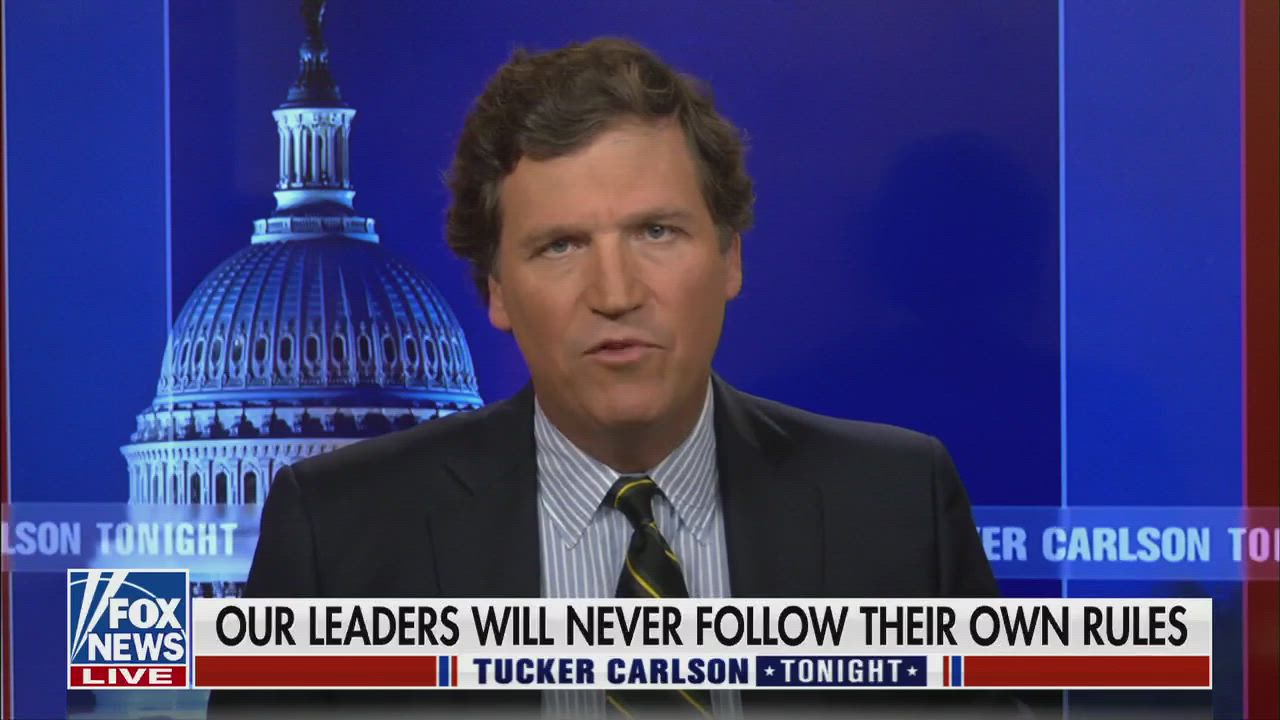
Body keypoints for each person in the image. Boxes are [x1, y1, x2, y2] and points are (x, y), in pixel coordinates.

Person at [210, 37, 1012, 719]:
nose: (616, 293)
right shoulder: (339, 534)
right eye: (560, 245)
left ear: (730, 258)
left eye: (656, 231)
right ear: (496, 290)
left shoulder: (899, 508)